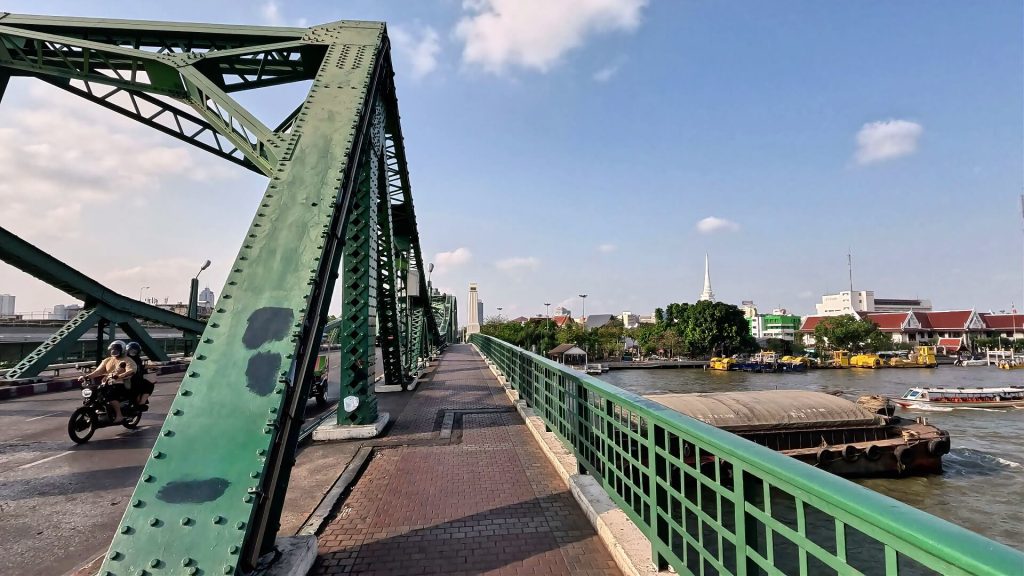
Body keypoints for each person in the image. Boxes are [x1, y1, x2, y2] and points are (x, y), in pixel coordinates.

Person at [80, 340, 136, 423]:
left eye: (116, 350)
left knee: (110, 396)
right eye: (113, 350)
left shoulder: (127, 360)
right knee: (94, 393)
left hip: (121, 384)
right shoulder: (108, 360)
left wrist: (119, 376)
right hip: (107, 383)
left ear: (122, 350)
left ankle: (119, 415)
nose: (114, 351)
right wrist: (87, 376)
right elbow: (98, 371)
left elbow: (131, 370)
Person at [125, 342, 154, 407]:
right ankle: (141, 403)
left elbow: (140, 368)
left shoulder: (126, 358)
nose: (133, 352)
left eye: (134, 351)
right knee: (149, 385)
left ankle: (140, 403)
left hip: (127, 378)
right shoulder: (135, 359)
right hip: (131, 379)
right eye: (131, 350)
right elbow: (140, 368)